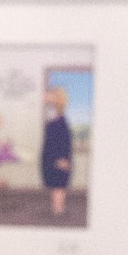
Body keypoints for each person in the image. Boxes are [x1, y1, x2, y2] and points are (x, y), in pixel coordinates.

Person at [40, 86, 73, 215]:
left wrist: (63, 158)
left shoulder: (60, 120)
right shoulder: (51, 114)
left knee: (59, 184)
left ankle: (58, 209)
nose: (47, 97)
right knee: (54, 183)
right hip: (51, 154)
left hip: (59, 155)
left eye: (51, 96)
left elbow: (64, 141)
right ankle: (56, 208)